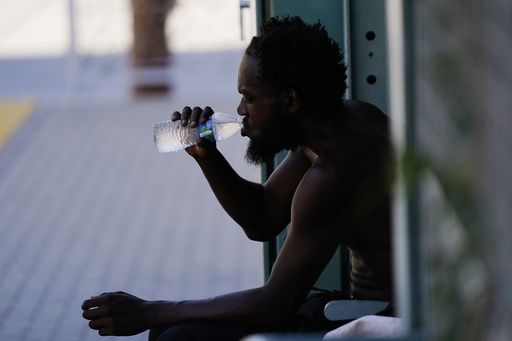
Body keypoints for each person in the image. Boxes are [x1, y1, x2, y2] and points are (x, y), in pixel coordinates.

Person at [82, 16, 394, 340]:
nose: (241, 109)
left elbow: (276, 303)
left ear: (290, 100)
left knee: (175, 336)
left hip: (383, 321)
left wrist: (150, 310)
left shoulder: (335, 172)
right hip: (361, 310)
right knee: (167, 328)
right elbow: (263, 217)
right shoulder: (346, 119)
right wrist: (208, 157)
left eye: (250, 97)